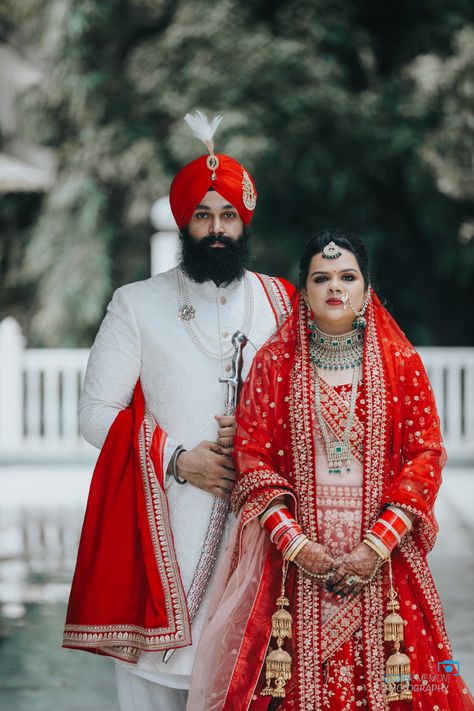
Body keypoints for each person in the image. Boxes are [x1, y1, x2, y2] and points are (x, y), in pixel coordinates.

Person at [62, 112, 295, 711]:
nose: (216, 229)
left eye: (228, 216)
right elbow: (94, 412)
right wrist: (176, 459)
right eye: (202, 216)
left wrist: (258, 437)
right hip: (162, 534)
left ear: (244, 223)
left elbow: (309, 402)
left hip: (258, 540)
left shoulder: (281, 302)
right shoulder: (137, 304)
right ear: (183, 223)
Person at [187, 230, 474, 710]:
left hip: (383, 562)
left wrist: (375, 546)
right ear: (305, 289)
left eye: (347, 276)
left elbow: (425, 456)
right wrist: (296, 545)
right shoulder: (274, 364)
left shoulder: (401, 363)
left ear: (366, 287)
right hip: (295, 570)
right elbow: (252, 457)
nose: (335, 287)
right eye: (321, 278)